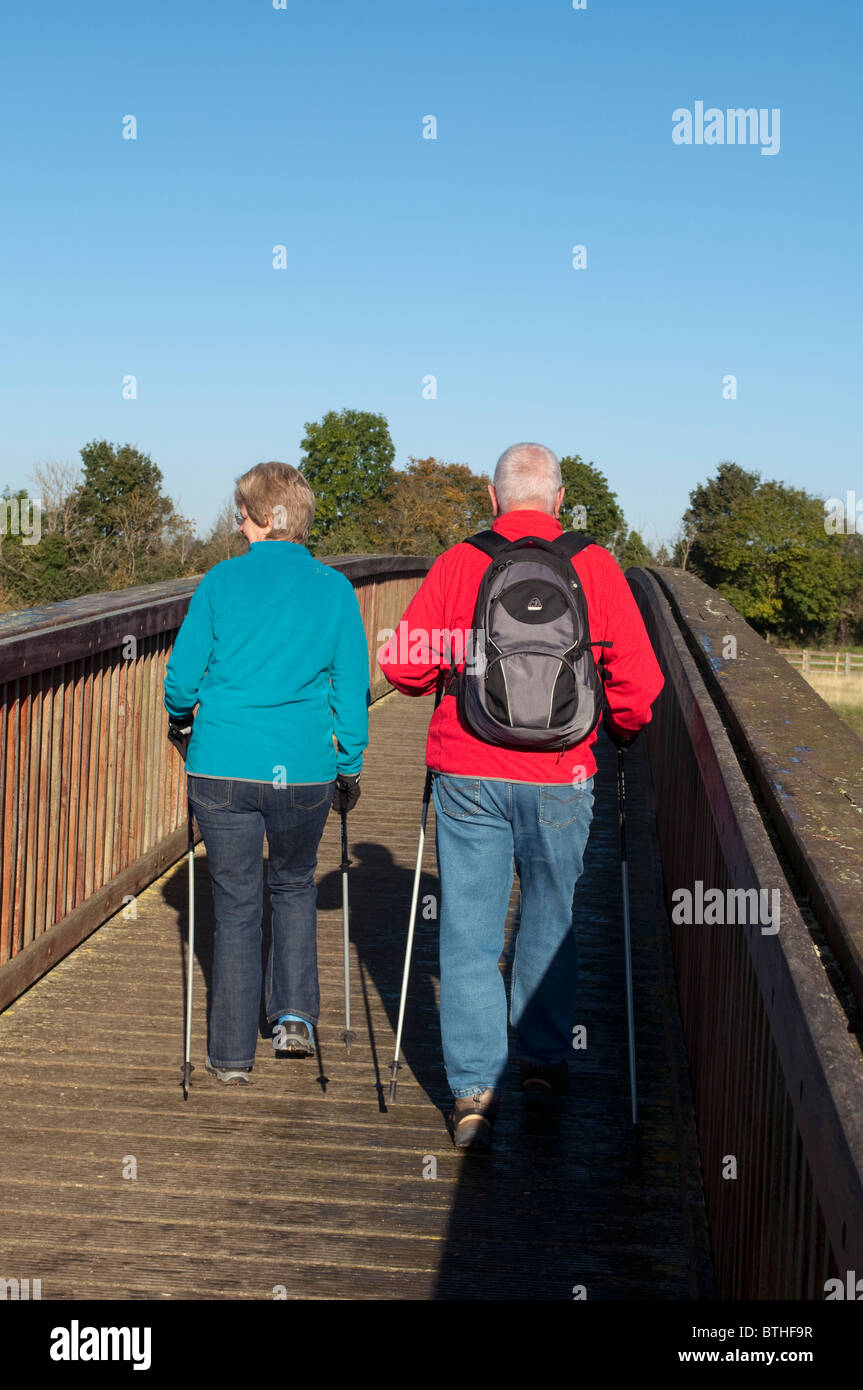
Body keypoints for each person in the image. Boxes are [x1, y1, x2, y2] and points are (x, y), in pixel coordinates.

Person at [378, 442, 664, 1149]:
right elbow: (640, 686)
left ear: (491, 494)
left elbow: (402, 665)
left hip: (469, 771)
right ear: (559, 498)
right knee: (551, 913)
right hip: (563, 775)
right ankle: (540, 1060)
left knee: (469, 930)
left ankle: (474, 1091)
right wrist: (619, 732)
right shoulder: (593, 565)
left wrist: (452, 659)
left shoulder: (460, 562)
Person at [164, 461, 369, 1083]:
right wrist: (348, 767)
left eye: (243, 513)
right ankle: (293, 1019)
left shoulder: (220, 583)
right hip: (303, 774)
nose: (236, 522)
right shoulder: (333, 589)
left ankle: (229, 1056)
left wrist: (181, 721)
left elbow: (181, 680)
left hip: (222, 766)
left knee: (235, 907)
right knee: (295, 884)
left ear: (267, 519)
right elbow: (351, 689)